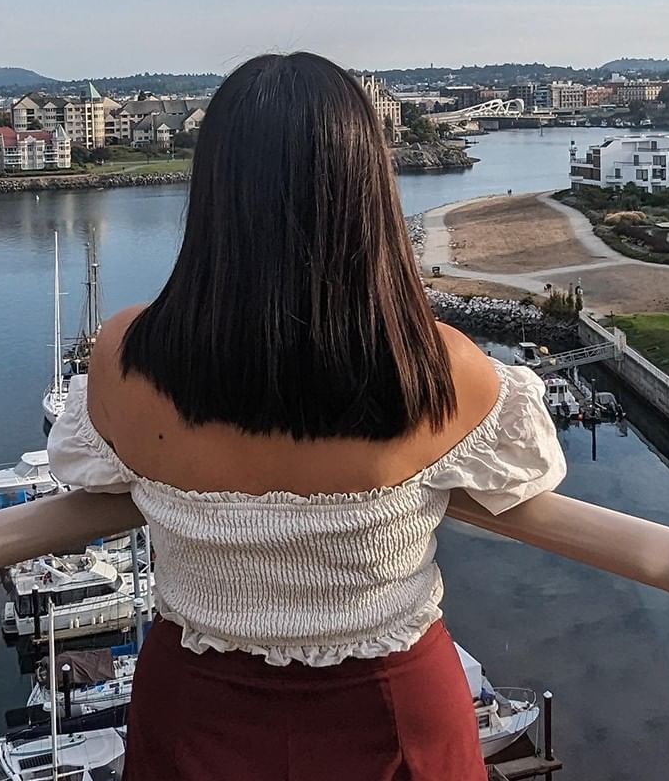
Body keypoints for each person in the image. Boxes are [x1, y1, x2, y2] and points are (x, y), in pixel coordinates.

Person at [48, 52, 566, 780]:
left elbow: (84, 470)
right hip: (395, 711)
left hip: (192, 704)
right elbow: (534, 474)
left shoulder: (125, 358)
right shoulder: (441, 367)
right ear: (368, 190)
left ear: (215, 191)